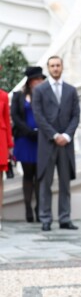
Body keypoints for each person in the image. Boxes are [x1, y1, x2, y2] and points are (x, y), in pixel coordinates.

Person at [32, 55, 80, 232]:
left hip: (66, 144)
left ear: (62, 67)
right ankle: (45, 218)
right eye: (52, 65)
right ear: (48, 68)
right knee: (45, 182)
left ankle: (65, 218)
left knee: (65, 183)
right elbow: (39, 116)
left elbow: (76, 115)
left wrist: (67, 135)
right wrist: (54, 135)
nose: (55, 68)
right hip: (47, 143)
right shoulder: (39, 90)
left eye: (58, 65)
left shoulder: (71, 90)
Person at [11, 66, 46, 223]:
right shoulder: (19, 96)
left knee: (39, 175)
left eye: (41, 79)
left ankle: (39, 209)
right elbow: (15, 116)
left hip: (41, 139)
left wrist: (40, 132)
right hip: (25, 140)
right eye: (37, 79)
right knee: (27, 174)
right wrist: (28, 132)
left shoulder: (45, 95)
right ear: (30, 81)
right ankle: (28, 209)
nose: (39, 82)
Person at [0, 88, 14, 230]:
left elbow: (7, 121)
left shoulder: (3, 95)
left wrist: (10, 145)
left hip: (1, 140)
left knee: (0, 179)